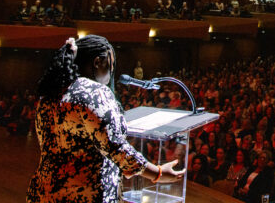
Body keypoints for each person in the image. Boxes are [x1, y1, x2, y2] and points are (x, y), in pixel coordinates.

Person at [27, 36, 184, 203]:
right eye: (111, 65)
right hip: (85, 194)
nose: (111, 73)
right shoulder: (94, 92)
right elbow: (116, 148)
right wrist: (158, 173)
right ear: (97, 62)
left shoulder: (50, 93)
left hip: (44, 192)